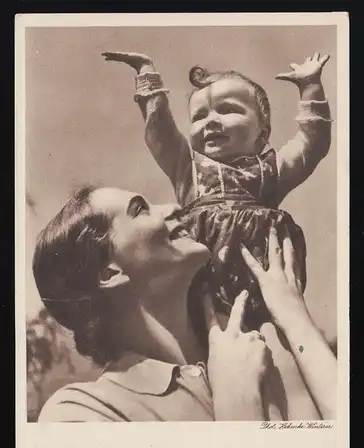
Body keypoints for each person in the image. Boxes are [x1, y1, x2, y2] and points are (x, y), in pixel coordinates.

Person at [34, 186, 336, 422]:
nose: (175, 207)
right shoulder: (83, 411)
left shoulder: (263, 345)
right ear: (110, 273)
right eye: (140, 210)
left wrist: (295, 318)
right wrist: (239, 405)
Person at [101, 51, 332, 329]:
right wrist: (146, 72)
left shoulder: (273, 170)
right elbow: (159, 129)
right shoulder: (188, 168)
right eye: (199, 116)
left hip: (265, 292)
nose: (210, 120)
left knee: (273, 343)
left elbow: (312, 141)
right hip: (203, 293)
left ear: (263, 131)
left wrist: (310, 87)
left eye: (227, 109)